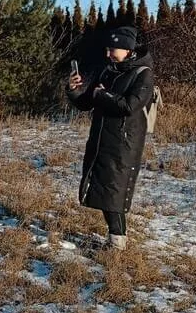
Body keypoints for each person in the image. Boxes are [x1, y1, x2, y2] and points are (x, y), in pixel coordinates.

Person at [66, 25, 155, 250]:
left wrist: (102, 94)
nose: (108, 54)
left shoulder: (143, 73)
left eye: (112, 49)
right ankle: (115, 240)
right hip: (100, 138)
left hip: (124, 143)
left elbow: (129, 105)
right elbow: (87, 102)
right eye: (107, 49)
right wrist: (74, 90)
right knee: (102, 187)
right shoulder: (108, 70)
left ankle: (118, 244)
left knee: (114, 191)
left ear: (127, 49)